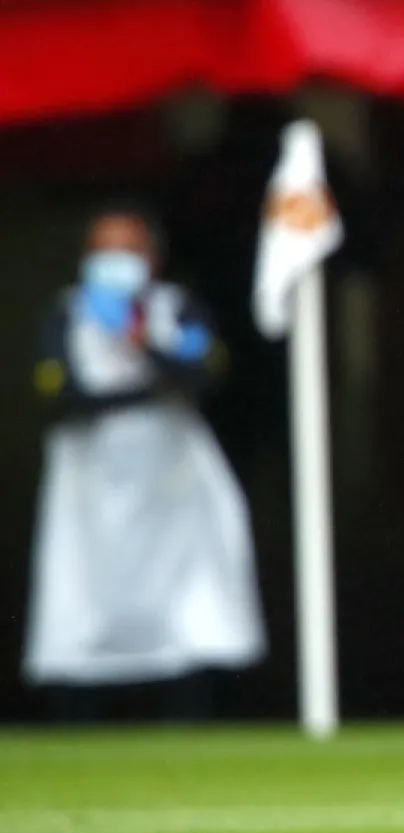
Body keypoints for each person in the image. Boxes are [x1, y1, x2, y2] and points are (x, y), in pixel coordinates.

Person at [24, 202, 265, 722]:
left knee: (186, 608)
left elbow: (205, 373)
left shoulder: (178, 310)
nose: (116, 261)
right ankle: (76, 720)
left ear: (152, 258)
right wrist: (146, 389)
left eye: (128, 249)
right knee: (85, 606)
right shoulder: (67, 314)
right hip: (91, 489)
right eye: (104, 249)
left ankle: (192, 718)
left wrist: (144, 349)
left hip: (170, 486)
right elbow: (59, 392)